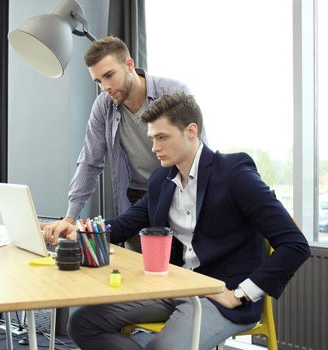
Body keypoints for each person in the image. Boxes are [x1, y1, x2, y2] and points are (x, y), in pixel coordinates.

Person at [44, 92, 311, 350]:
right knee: (83, 322)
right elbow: (125, 225)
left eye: (162, 137)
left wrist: (239, 294)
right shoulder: (161, 180)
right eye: (152, 138)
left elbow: (295, 244)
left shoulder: (234, 174)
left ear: (191, 131)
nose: (154, 148)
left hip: (220, 296)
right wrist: (79, 230)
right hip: (173, 285)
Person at [44, 36, 195, 251]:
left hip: (177, 194)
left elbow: (197, 152)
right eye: (98, 81)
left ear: (129, 65)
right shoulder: (104, 106)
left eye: (109, 75)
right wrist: (70, 218)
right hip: (137, 201)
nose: (105, 87)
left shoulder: (173, 93)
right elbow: (89, 162)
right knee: (134, 271)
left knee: (181, 266)